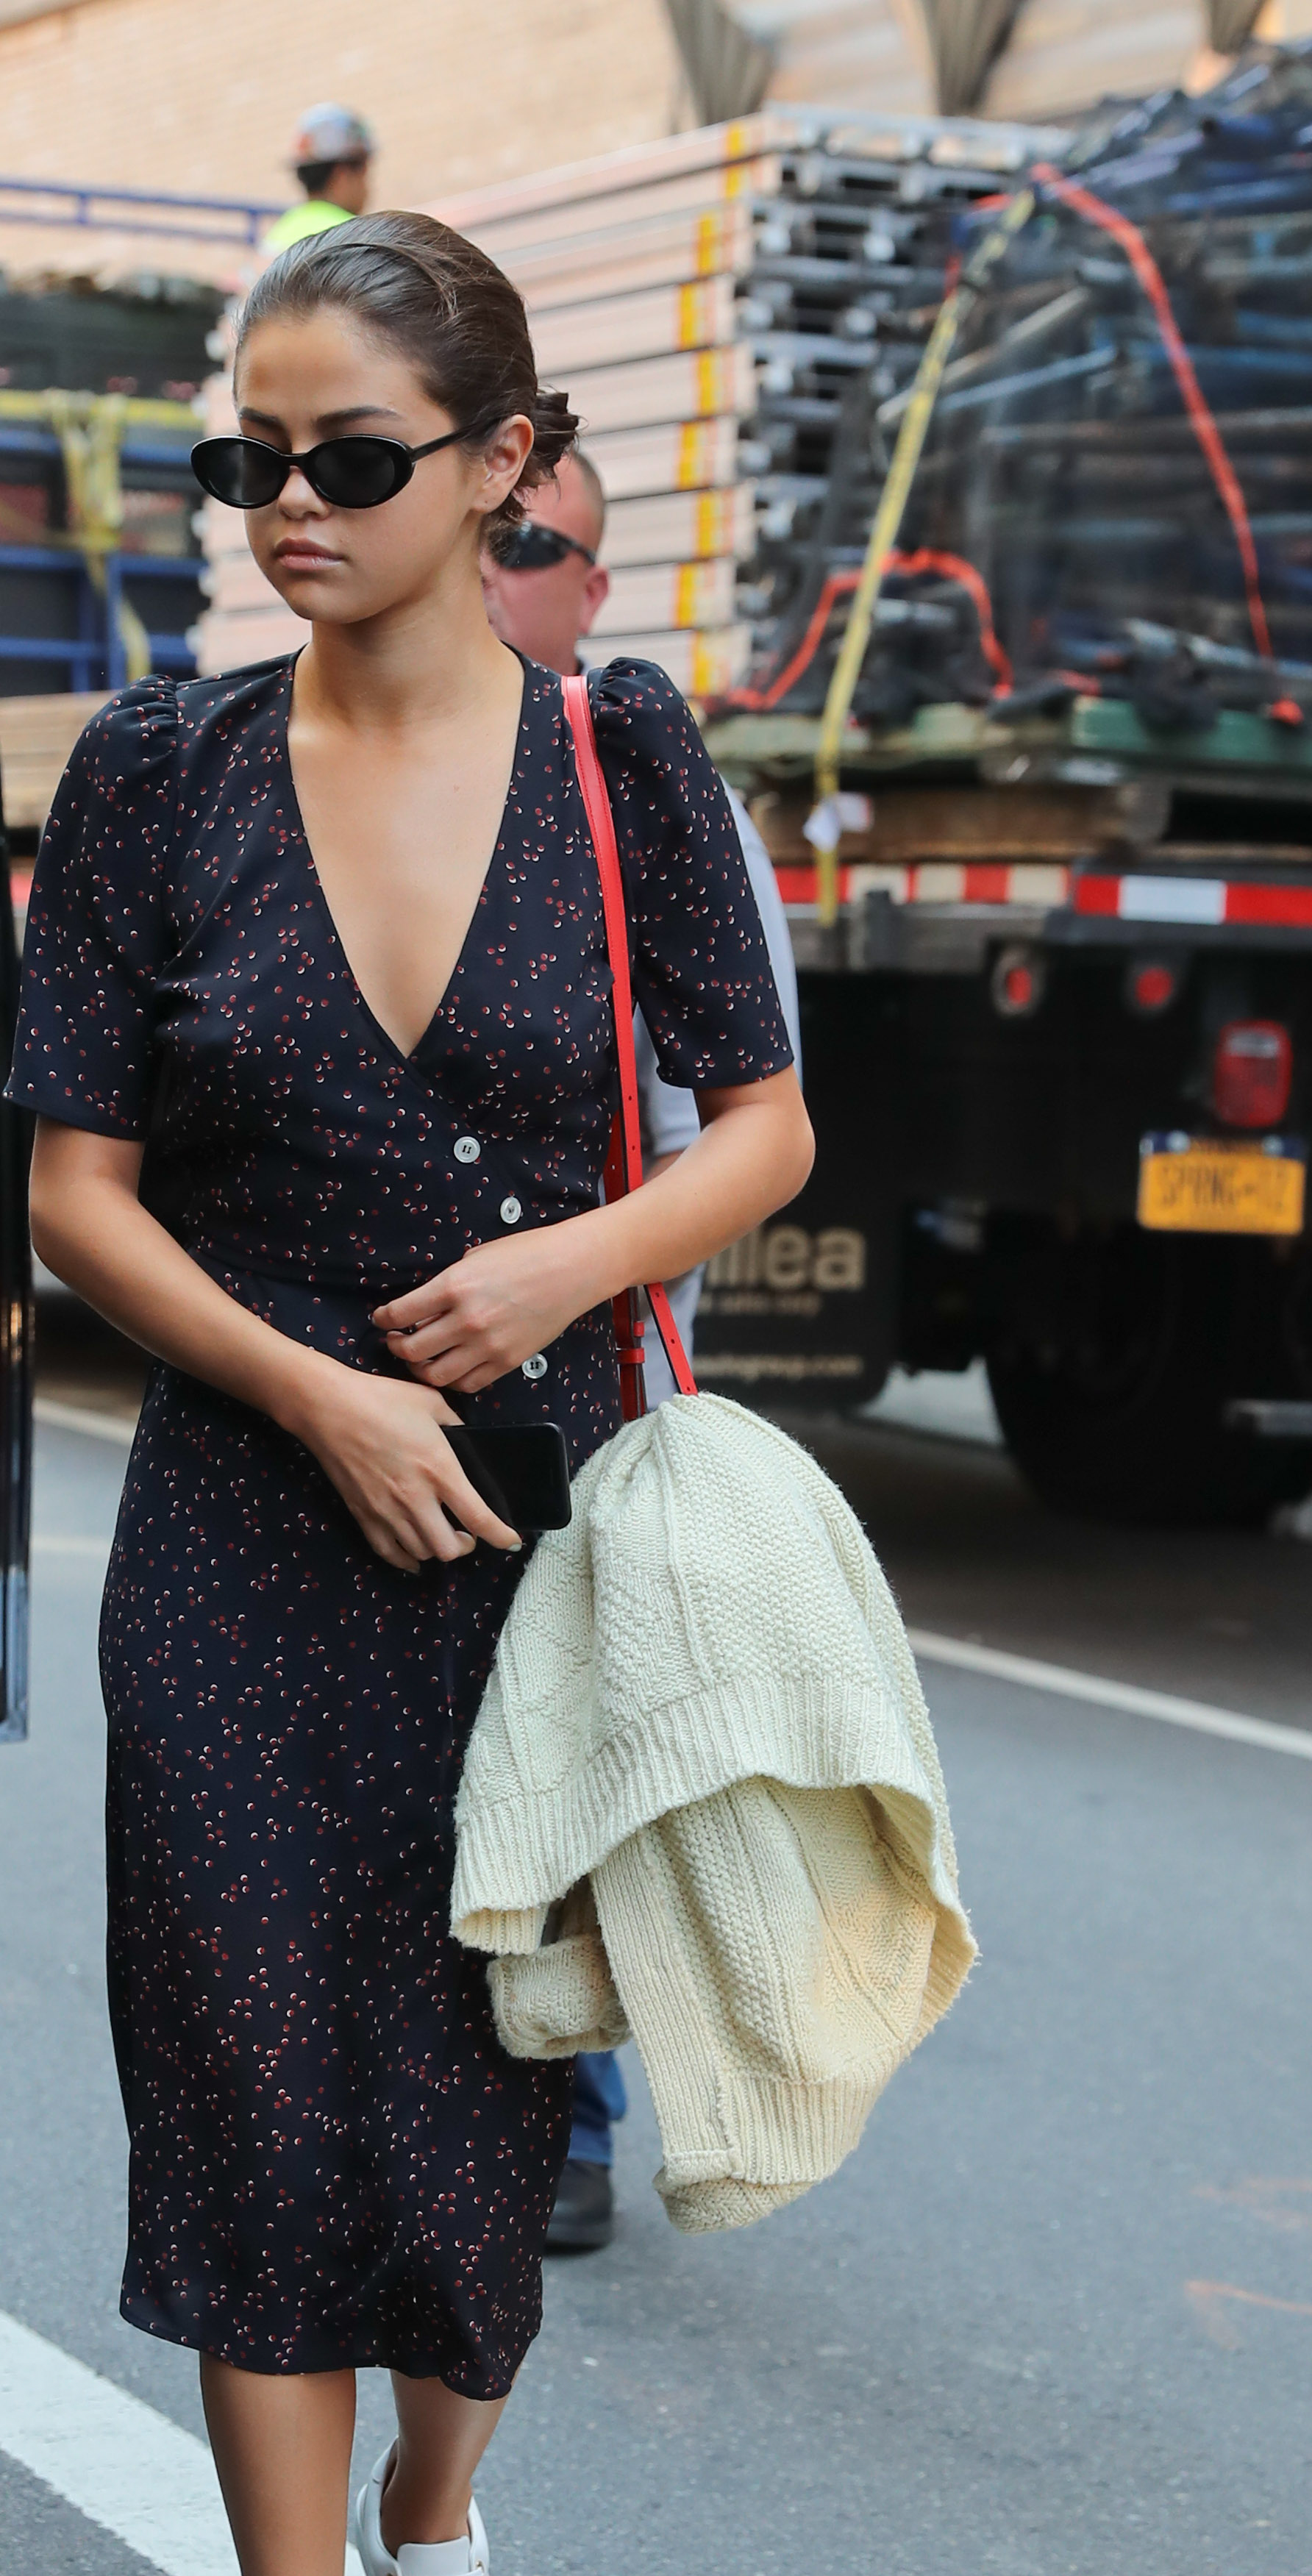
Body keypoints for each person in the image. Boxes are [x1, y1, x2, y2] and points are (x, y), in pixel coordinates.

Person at [12, 210, 808, 2576]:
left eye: (348, 455)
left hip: (531, 1543)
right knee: (254, 2109)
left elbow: (761, 1127)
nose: (289, 504)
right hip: (244, 1537)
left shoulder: (613, 752)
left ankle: (435, 2528)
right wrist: (310, 1388)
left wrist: (571, 1261)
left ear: (501, 468)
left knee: (479, 2107)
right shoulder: (159, 770)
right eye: (246, 457)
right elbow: (73, 1186)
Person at [482, 447, 802, 2258]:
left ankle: (572, 2106)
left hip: (588, 1364)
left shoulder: (641, 788)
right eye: (488, 529)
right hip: (359, 1382)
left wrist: (570, 1281)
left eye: (537, 543)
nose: (497, 564)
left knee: (574, 1739)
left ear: (591, 586)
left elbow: (737, 1134)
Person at [262, 103, 376, 252]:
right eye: (364, 174)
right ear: (342, 174)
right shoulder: (356, 237)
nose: (366, 189)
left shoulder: (280, 231)